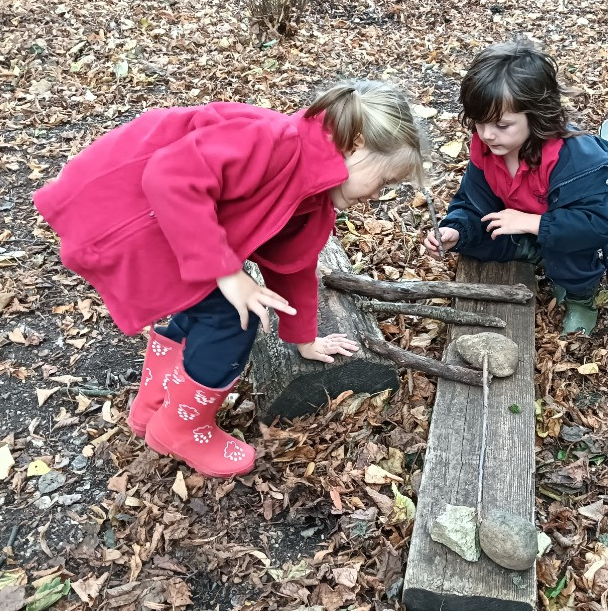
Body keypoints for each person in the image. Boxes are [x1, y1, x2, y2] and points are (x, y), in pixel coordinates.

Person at [35, 82, 425, 479]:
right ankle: (181, 428)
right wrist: (228, 272)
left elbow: (294, 265)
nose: (379, 196)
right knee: (232, 318)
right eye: (384, 181)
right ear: (355, 144)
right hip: (128, 217)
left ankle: (154, 403)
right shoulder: (275, 142)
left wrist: (304, 339)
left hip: (173, 229)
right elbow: (169, 177)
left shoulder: (315, 198)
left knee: (205, 304)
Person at [423, 37, 608, 335]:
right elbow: (472, 201)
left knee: (567, 252)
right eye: (479, 123)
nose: (487, 135)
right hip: (522, 222)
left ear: (536, 115)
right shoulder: (487, 149)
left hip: (571, 233)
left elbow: (598, 225)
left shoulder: (576, 159)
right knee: (476, 239)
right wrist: (455, 229)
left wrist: (532, 222)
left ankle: (581, 298)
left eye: (501, 125)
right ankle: (532, 251)